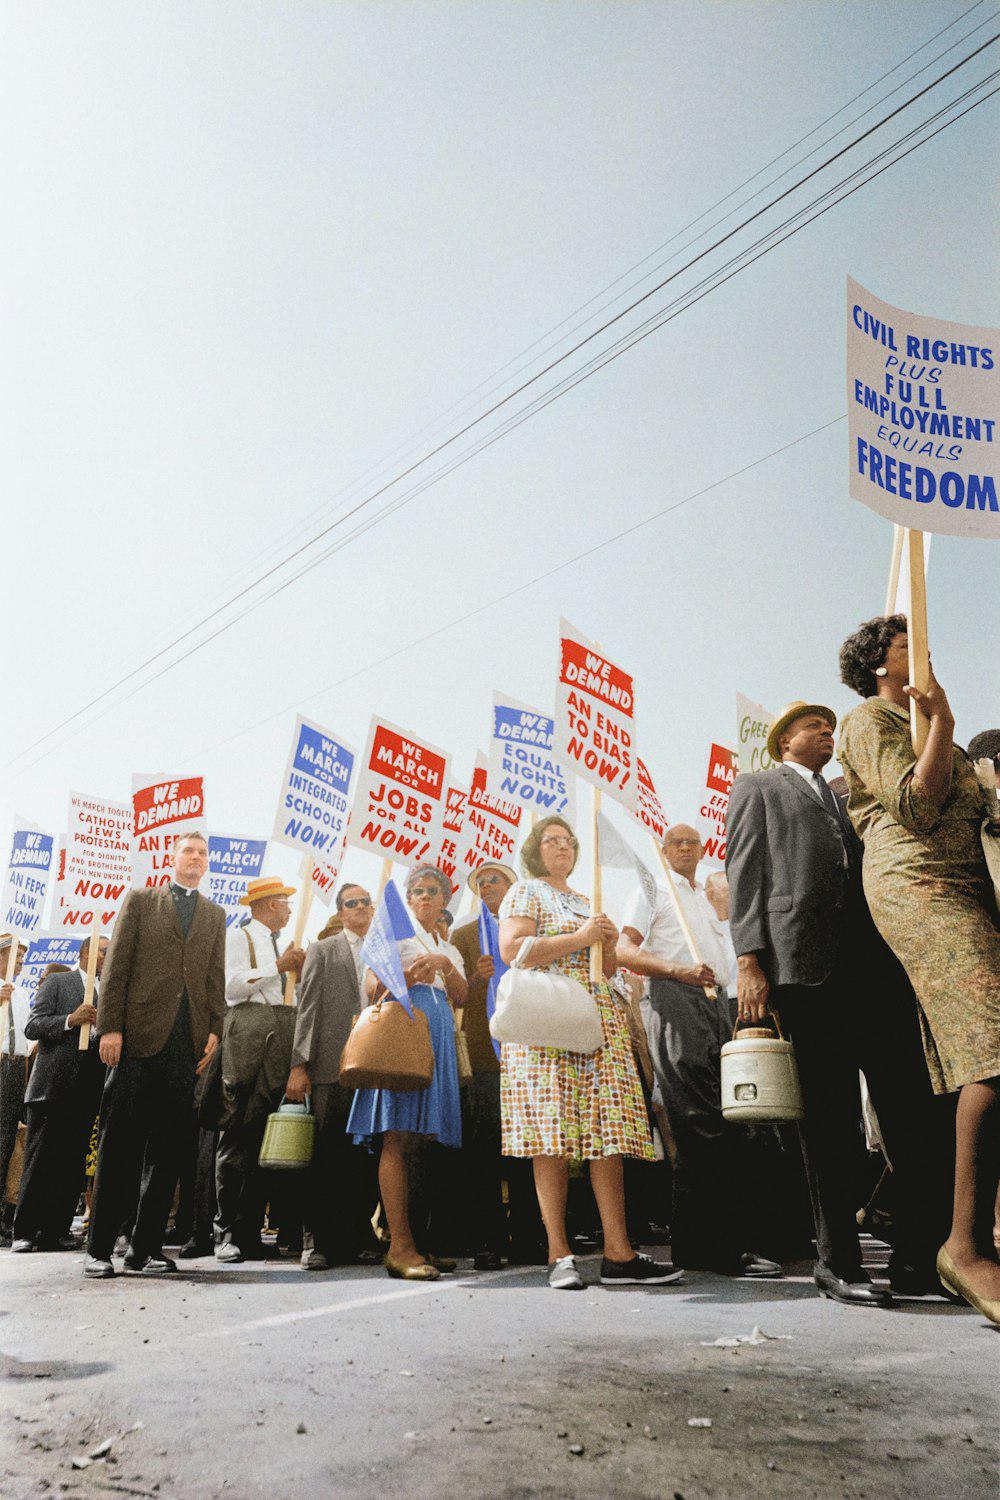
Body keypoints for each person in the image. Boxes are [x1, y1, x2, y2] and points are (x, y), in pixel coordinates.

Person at [727, 700, 952, 1307]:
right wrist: (750, 960)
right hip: (805, 971)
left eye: (831, 727)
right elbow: (744, 874)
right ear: (784, 741)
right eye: (812, 727)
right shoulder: (759, 787)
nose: (826, 734)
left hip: (874, 969)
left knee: (910, 1116)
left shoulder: (848, 795)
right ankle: (838, 1262)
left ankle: (919, 1260)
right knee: (829, 1123)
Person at [838, 618, 1000, 1324]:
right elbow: (914, 803)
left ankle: (943, 1224)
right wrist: (943, 719)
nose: (927, 654)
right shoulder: (869, 718)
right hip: (919, 887)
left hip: (971, 890)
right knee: (993, 1052)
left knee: (976, 1058)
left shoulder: (946, 737)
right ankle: (963, 1249)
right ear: (879, 665)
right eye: (912, 646)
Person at [498, 815, 681, 1291]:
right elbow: (512, 950)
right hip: (549, 1021)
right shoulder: (525, 892)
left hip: (599, 1021)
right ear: (535, 850)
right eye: (551, 841)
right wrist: (581, 939)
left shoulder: (584, 900)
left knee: (608, 1132)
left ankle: (618, 1251)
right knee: (552, 1134)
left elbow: (610, 962)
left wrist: (609, 951)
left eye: (568, 841)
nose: (562, 847)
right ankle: (559, 1251)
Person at [617, 825, 780, 1278]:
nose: (685, 848)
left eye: (692, 842)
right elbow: (622, 948)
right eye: (676, 843)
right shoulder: (651, 890)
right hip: (674, 997)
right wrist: (677, 969)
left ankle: (706, 1243)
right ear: (664, 851)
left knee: (724, 1119)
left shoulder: (703, 898)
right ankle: (717, 1247)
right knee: (698, 1122)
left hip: (715, 1003)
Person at [85, 831, 226, 1279]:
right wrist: (110, 1027)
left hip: (185, 1048)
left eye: (203, 853)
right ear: (173, 857)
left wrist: (214, 1032)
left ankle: (144, 1249)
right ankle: (99, 1249)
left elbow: (213, 980)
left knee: (169, 1154)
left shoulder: (214, 914)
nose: (196, 858)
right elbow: (118, 966)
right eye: (189, 850)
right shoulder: (142, 901)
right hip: (137, 1041)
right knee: (119, 1148)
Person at [347, 864, 467, 1280]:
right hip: (403, 1034)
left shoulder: (448, 947)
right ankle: (399, 1246)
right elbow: (369, 987)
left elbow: (463, 993)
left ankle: (420, 1241)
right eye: (417, 890)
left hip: (438, 1038)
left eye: (433, 890)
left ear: (445, 899)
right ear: (408, 897)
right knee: (397, 1137)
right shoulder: (395, 933)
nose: (425, 896)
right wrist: (406, 975)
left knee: (425, 1143)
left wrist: (445, 966)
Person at [285, 882, 380, 1269]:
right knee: (325, 1155)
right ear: (341, 912)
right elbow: (307, 1010)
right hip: (328, 1066)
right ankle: (315, 1241)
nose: (359, 908)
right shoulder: (324, 951)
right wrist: (298, 1065)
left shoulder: (384, 951)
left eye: (365, 901)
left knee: (364, 1157)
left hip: (373, 1065)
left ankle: (357, 1236)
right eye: (351, 903)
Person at [214, 876, 304, 1262]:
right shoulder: (240, 937)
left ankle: (252, 1229)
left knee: (267, 1138)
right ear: (268, 904)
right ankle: (228, 1233)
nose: (288, 910)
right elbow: (231, 988)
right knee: (239, 1137)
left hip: (278, 1043)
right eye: (284, 903)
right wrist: (276, 967)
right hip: (249, 1044)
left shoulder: (280, 945)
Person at [12, 938, 108, 1252]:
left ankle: (57, 1230)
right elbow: (33, 1026)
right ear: (87, 953)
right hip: (52, 1088)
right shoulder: (58, 982)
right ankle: (25, 1231)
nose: (110, 957)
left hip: (87, 1089)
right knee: (41, 1160)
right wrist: (70, 1020)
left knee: (71, 1164)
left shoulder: (108, 990)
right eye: (105, 951)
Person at [451, 862, 521, 1270]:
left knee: (528, 1150)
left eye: (495, 879)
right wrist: (476, 979)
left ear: (512, 886)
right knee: (484, 1153)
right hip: (484, 1055)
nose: (487, 886)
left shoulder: (529, 927)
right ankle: (488, 1240)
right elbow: (455, 997)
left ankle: (531, 1234)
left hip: (526, 1050)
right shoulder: (463, 935)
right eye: (481, 882)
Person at [0, 937, 28, 1245]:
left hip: (14, 1067)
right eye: (15, 956)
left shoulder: (21, 995)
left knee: (7, 1140)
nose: (20, 962)